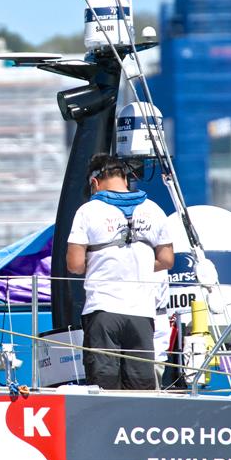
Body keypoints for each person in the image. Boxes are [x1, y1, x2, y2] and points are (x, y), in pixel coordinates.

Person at [66, 153, 174, 390]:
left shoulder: (88, 211)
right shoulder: (153, 209)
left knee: (104, 388)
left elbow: (74, 265)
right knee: (141, 388)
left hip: (103, 310)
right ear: (125, 178)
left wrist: (100, 263)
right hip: (142, 315)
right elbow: (166, 260)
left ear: (94, 183)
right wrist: (138, 263)